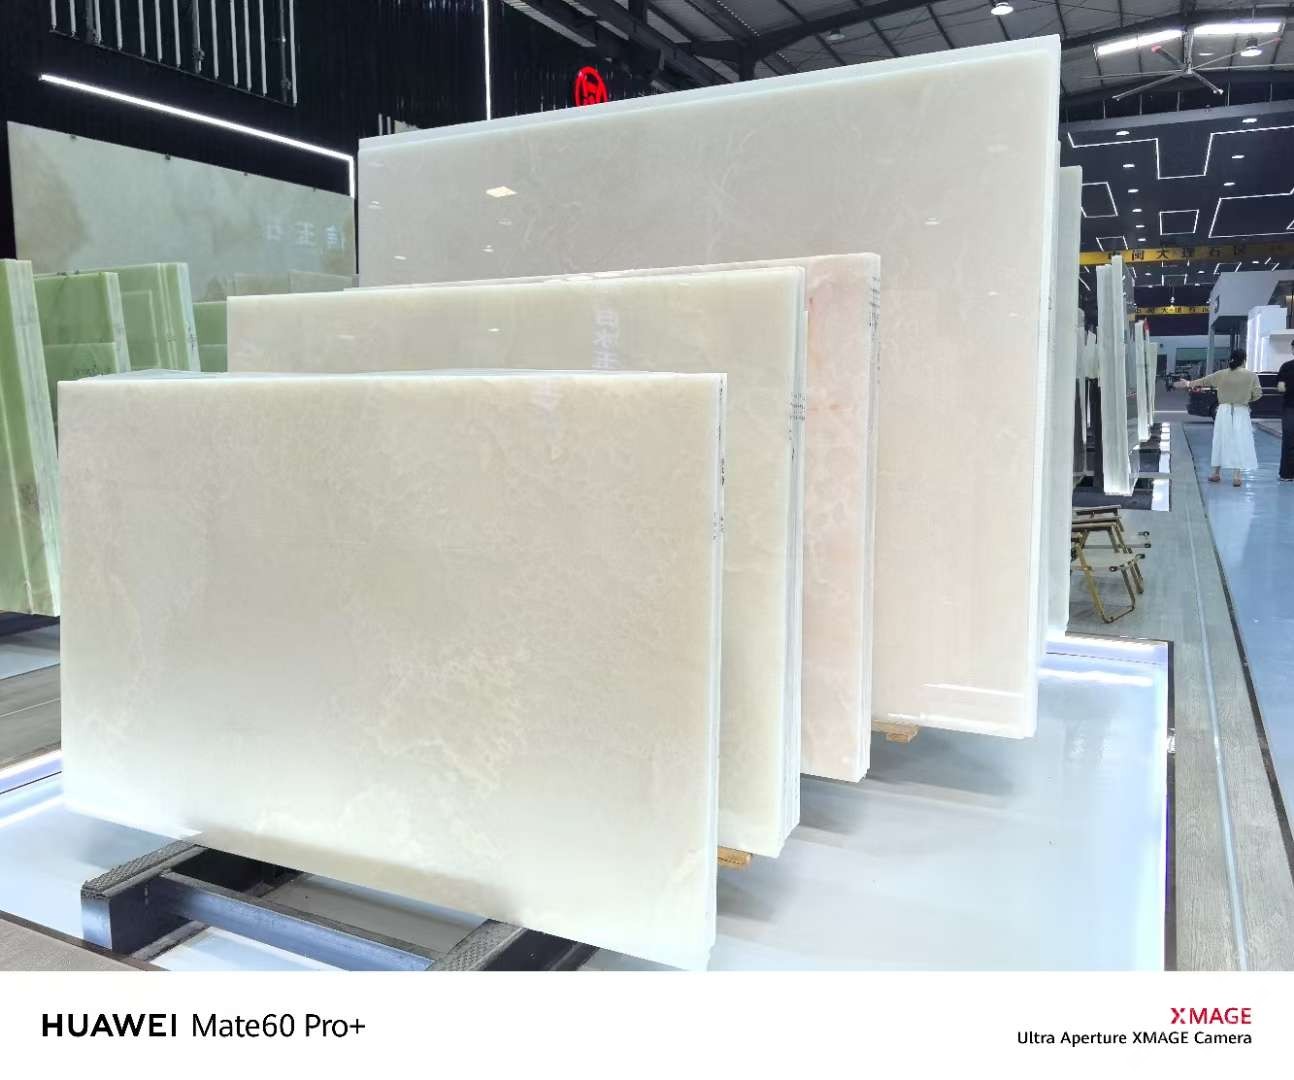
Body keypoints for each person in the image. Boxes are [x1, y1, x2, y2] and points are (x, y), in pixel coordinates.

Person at [1177, 349, 1262, 488]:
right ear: (1244, 360)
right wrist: (1246, 398)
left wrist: (1188, 383)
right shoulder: (1251, 376)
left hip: (1223, 411)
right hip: (1241, 411)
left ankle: (1216, 473)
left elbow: (1204, 381)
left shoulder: (1221, 374)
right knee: (1239, 441)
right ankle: (1237, 476)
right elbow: (1258, 394)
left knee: (1220, 440)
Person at [1279, 352, 1294, 483]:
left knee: (1288, 441)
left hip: (1290, 407)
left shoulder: (1286, 366)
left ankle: (1287, 474)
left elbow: (1281, 388)